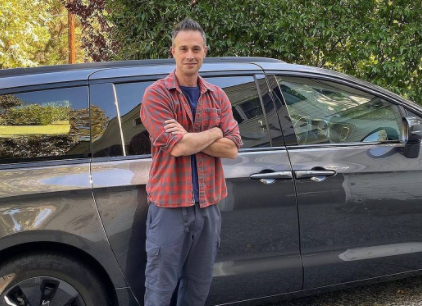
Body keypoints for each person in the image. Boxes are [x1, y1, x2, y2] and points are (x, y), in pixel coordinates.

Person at [140, 18, 243, 306]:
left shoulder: (217, 96)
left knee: (198, 289)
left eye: (196, 49)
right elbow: (177, 147)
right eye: (183, 48)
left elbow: (233, 150)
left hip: (209, 207)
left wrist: (192, 137)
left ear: (205, 51)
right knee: (159, 290)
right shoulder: (157, 94)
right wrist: (215, 131)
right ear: (172, 51)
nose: (190, 55)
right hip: (169, 208)